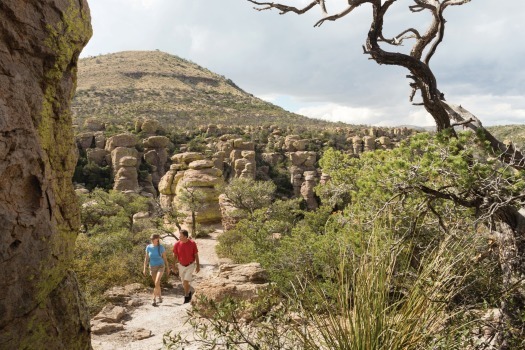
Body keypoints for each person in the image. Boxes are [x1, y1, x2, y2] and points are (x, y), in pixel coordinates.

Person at [172, 229, 200, 303]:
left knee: (186, 281)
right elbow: (175, 255)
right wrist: (173, 265)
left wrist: (198, 265)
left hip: (190, 265)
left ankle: (186, 296)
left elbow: (196, 255)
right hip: (181, 265)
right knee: (184, 283)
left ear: (185, 236)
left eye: (180, 236)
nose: (179, 237)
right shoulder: (177, 244)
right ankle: (188, 293)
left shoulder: (192, 243)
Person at [143, 233, 169, 306]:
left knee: (157, 281)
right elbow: (146, 258)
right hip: (152, 267)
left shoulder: (161, 247)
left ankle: (153, 299)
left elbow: (165, 258)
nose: (153, 240)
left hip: (160, 266)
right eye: (152, 239)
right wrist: (144, 268)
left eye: (154, 238)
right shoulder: (148, 247)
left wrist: (168, 268)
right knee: (156, 283)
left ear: (157, 239)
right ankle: (160, 297)